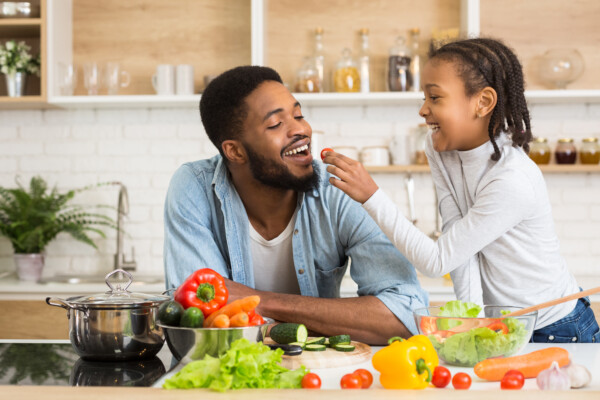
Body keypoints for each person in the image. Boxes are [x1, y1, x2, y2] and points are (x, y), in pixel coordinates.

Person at [323, 38, 600, 343]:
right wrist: (473, 321)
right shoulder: (440, 147)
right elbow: (458, 248)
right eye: (424, 97)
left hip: (557, 326)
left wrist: (372, 196)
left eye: (435, 97)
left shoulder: (511, 179)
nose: (422, 109)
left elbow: (436, 261)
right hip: (507, 327)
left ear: (482, 102)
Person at [163, 66, 428, 344]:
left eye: (299, 115)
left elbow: (405, 317)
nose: (301, 129)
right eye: (276, 124)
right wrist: (326, 319)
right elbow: (202, 323)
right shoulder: (194, 187)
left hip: (322, 371)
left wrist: (260, 302)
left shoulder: (338, 189)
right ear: (235, 151)